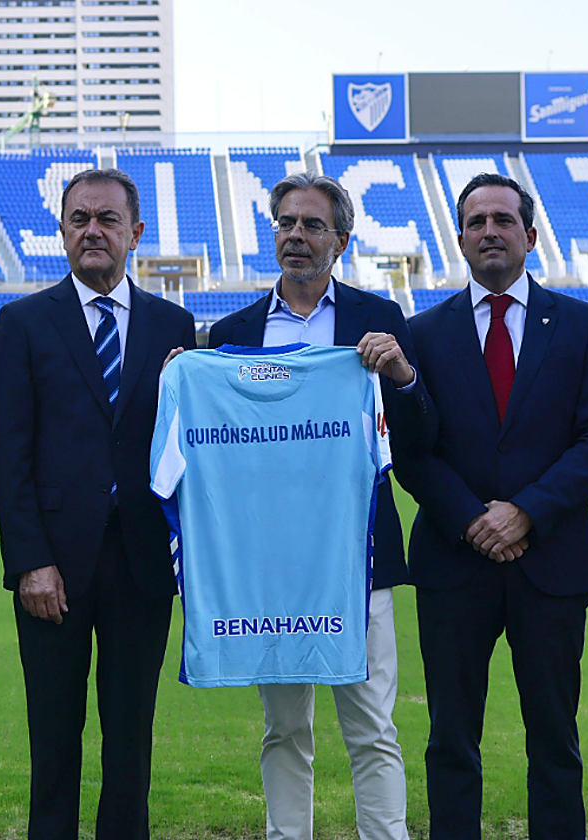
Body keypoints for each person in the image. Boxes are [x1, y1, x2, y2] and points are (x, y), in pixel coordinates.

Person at [206, 171, 432, 840]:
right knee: (283, 728)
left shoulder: (380, 319)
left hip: (359, 557)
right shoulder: (232, 333)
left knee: (372, 726)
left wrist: (404, 377)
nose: (296, 236)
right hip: (271, 564)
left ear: (342, 240)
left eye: (312, 225)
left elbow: (420, 439)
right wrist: (183, 384)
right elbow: (216, 450)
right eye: (286, 223)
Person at [396, 173, 588, 840]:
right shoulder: (420, 334)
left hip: (551, 561)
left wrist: (525, 512)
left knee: (555, 738)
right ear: (459, 237)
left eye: (502, 219)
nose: (489, 231)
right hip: (452, 561)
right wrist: (472, 519)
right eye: (476, 221)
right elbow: (411, 450)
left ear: (531, 234)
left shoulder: (585, 326)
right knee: (450, 738)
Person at [0, 167, 196, 840]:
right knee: (53, 740)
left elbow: (186, 445)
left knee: (131, 740)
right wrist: (30, 561)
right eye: (79, 219)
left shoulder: (174, 324)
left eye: (107, 219)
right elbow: (7, 454)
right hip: (53, 567)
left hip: (142, 562)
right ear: (62, 231)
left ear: (136, 232)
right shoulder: (23, 322)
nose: (93, 231)